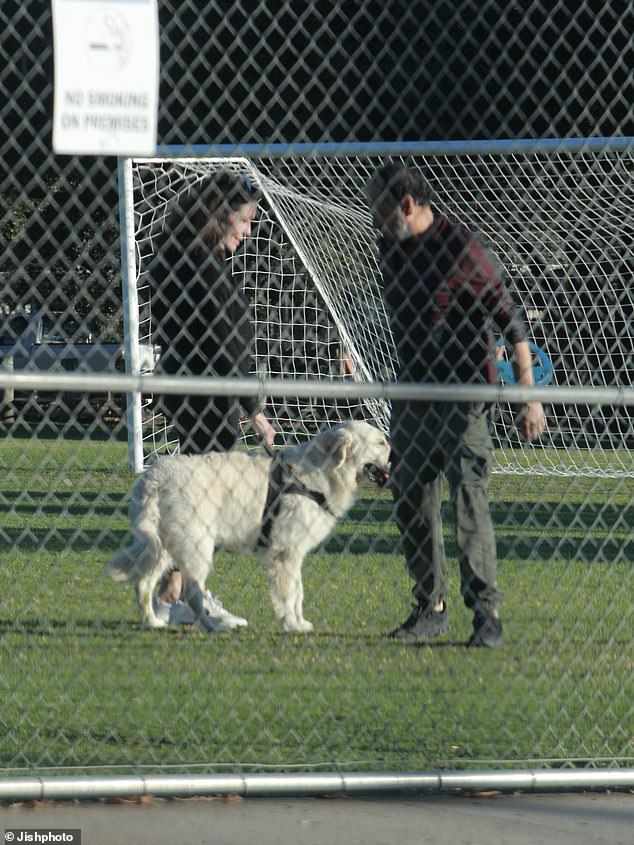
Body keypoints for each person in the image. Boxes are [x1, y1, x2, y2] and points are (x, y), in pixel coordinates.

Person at [365, 162, 546, 648]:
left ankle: (486, 615)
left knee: (468, 499)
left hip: (465, 396)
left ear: (407, 205)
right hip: (413, 394)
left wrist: (529, 397)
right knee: (408, 498)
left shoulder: (464, 250)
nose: (374, 220)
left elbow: (511, 321)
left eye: (380, 210)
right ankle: (431, 606)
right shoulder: (389, 247)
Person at [150, 171, 276, 630]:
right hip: (204, 395)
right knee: (208, 503)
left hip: (203, 393)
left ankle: (174, 594)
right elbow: (225, 345)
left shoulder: (194, 259)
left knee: (200, 501)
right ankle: (191, 597)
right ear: (221, 214)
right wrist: (255, 411)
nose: (247, 232)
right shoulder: (195, 267)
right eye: (244, 222)